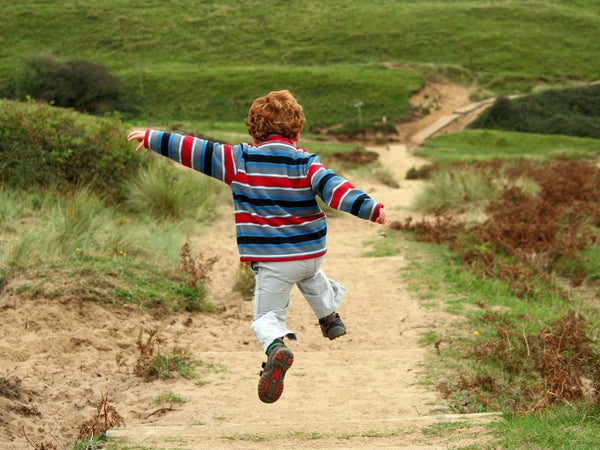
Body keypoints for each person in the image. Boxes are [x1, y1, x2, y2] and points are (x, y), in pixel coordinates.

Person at [127, 90, 386, 404]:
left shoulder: (238, 160)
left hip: (273, 262)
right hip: (310, 254)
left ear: (253, 130)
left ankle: (276, 350)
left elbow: (196, 150)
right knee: (311, 277)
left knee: (266, 318)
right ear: (297, 130)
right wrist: (369, 208)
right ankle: (330, 318)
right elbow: (336, 188)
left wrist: (154, 138)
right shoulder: (308, 163)